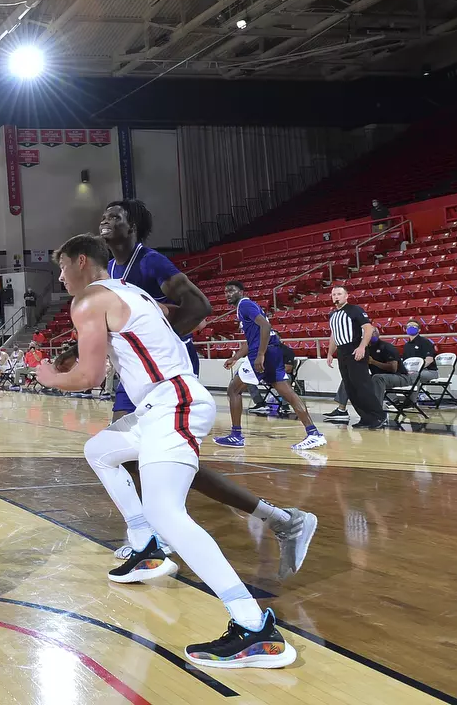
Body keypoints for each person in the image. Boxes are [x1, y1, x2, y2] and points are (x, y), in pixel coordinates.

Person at [37, 233, 297, 669]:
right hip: (163, 402)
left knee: (168, 513)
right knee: (100, 449)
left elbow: (89, 377)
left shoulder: (87, 302)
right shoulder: (130, 290)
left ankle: (254, 628)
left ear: (81, 261)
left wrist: (48, 376)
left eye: (62, 266)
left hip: (172, 401)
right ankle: (145, 546)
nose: (60, 276)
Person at [91, 200, 317, 576]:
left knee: (151, 458)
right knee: (138, 457)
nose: (106, 218)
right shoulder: (112, 269)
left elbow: (199, 305)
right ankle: (274, 519)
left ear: (133, 226)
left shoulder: (151, 262)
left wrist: (157, 339)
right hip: (136, 374)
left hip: (167, 372)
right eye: (104, 213)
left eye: (115, 215)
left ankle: (154, 538)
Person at [216, 282, 325, 450]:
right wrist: (237, 357)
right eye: (225, 291)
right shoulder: (249, 306)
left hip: (263, 353)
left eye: (231, 290)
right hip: (272, 351)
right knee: (288, 393)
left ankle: (236, 435)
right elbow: (252, 337)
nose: (227, 294)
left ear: (241, 291)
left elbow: (266, 326)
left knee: (233, 390)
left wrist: (260, 354)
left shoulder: (244, 304)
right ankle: (313, 433)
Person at [325, 286, 385, 428]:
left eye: (339, 294)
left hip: (354, 349)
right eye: (334, 294)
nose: (336, 296)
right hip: (341, 351)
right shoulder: (332, 315)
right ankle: (365, 417)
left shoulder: (355, 310)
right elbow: (334, 335)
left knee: (362, 386)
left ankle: (378, 416)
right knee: (350, 387)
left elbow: (368, 328)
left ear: (346, 296)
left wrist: (362, 346)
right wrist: (329, 352)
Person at [325, 325, 409, 422]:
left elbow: (393, 368)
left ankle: (377, 412)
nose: (373, 334)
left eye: (374, 332)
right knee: (349, 377)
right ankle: (341, 409)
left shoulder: (387, 347)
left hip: (399, 376)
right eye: (371, 332)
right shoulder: (364, 349)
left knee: (377, 378)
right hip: (376, 376)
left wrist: (373, 362)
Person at [401, 317, 439, 390]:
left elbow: (429, 360)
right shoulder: (406, 346)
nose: (411, 328)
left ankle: (414, 398)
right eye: (408, 326)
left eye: (414, 326)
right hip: (411, 372)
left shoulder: (425, 342)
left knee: (414, 375)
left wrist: (416, 369)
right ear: (405, 329)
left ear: (419, 330)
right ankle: (395, 400)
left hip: (429, 371)